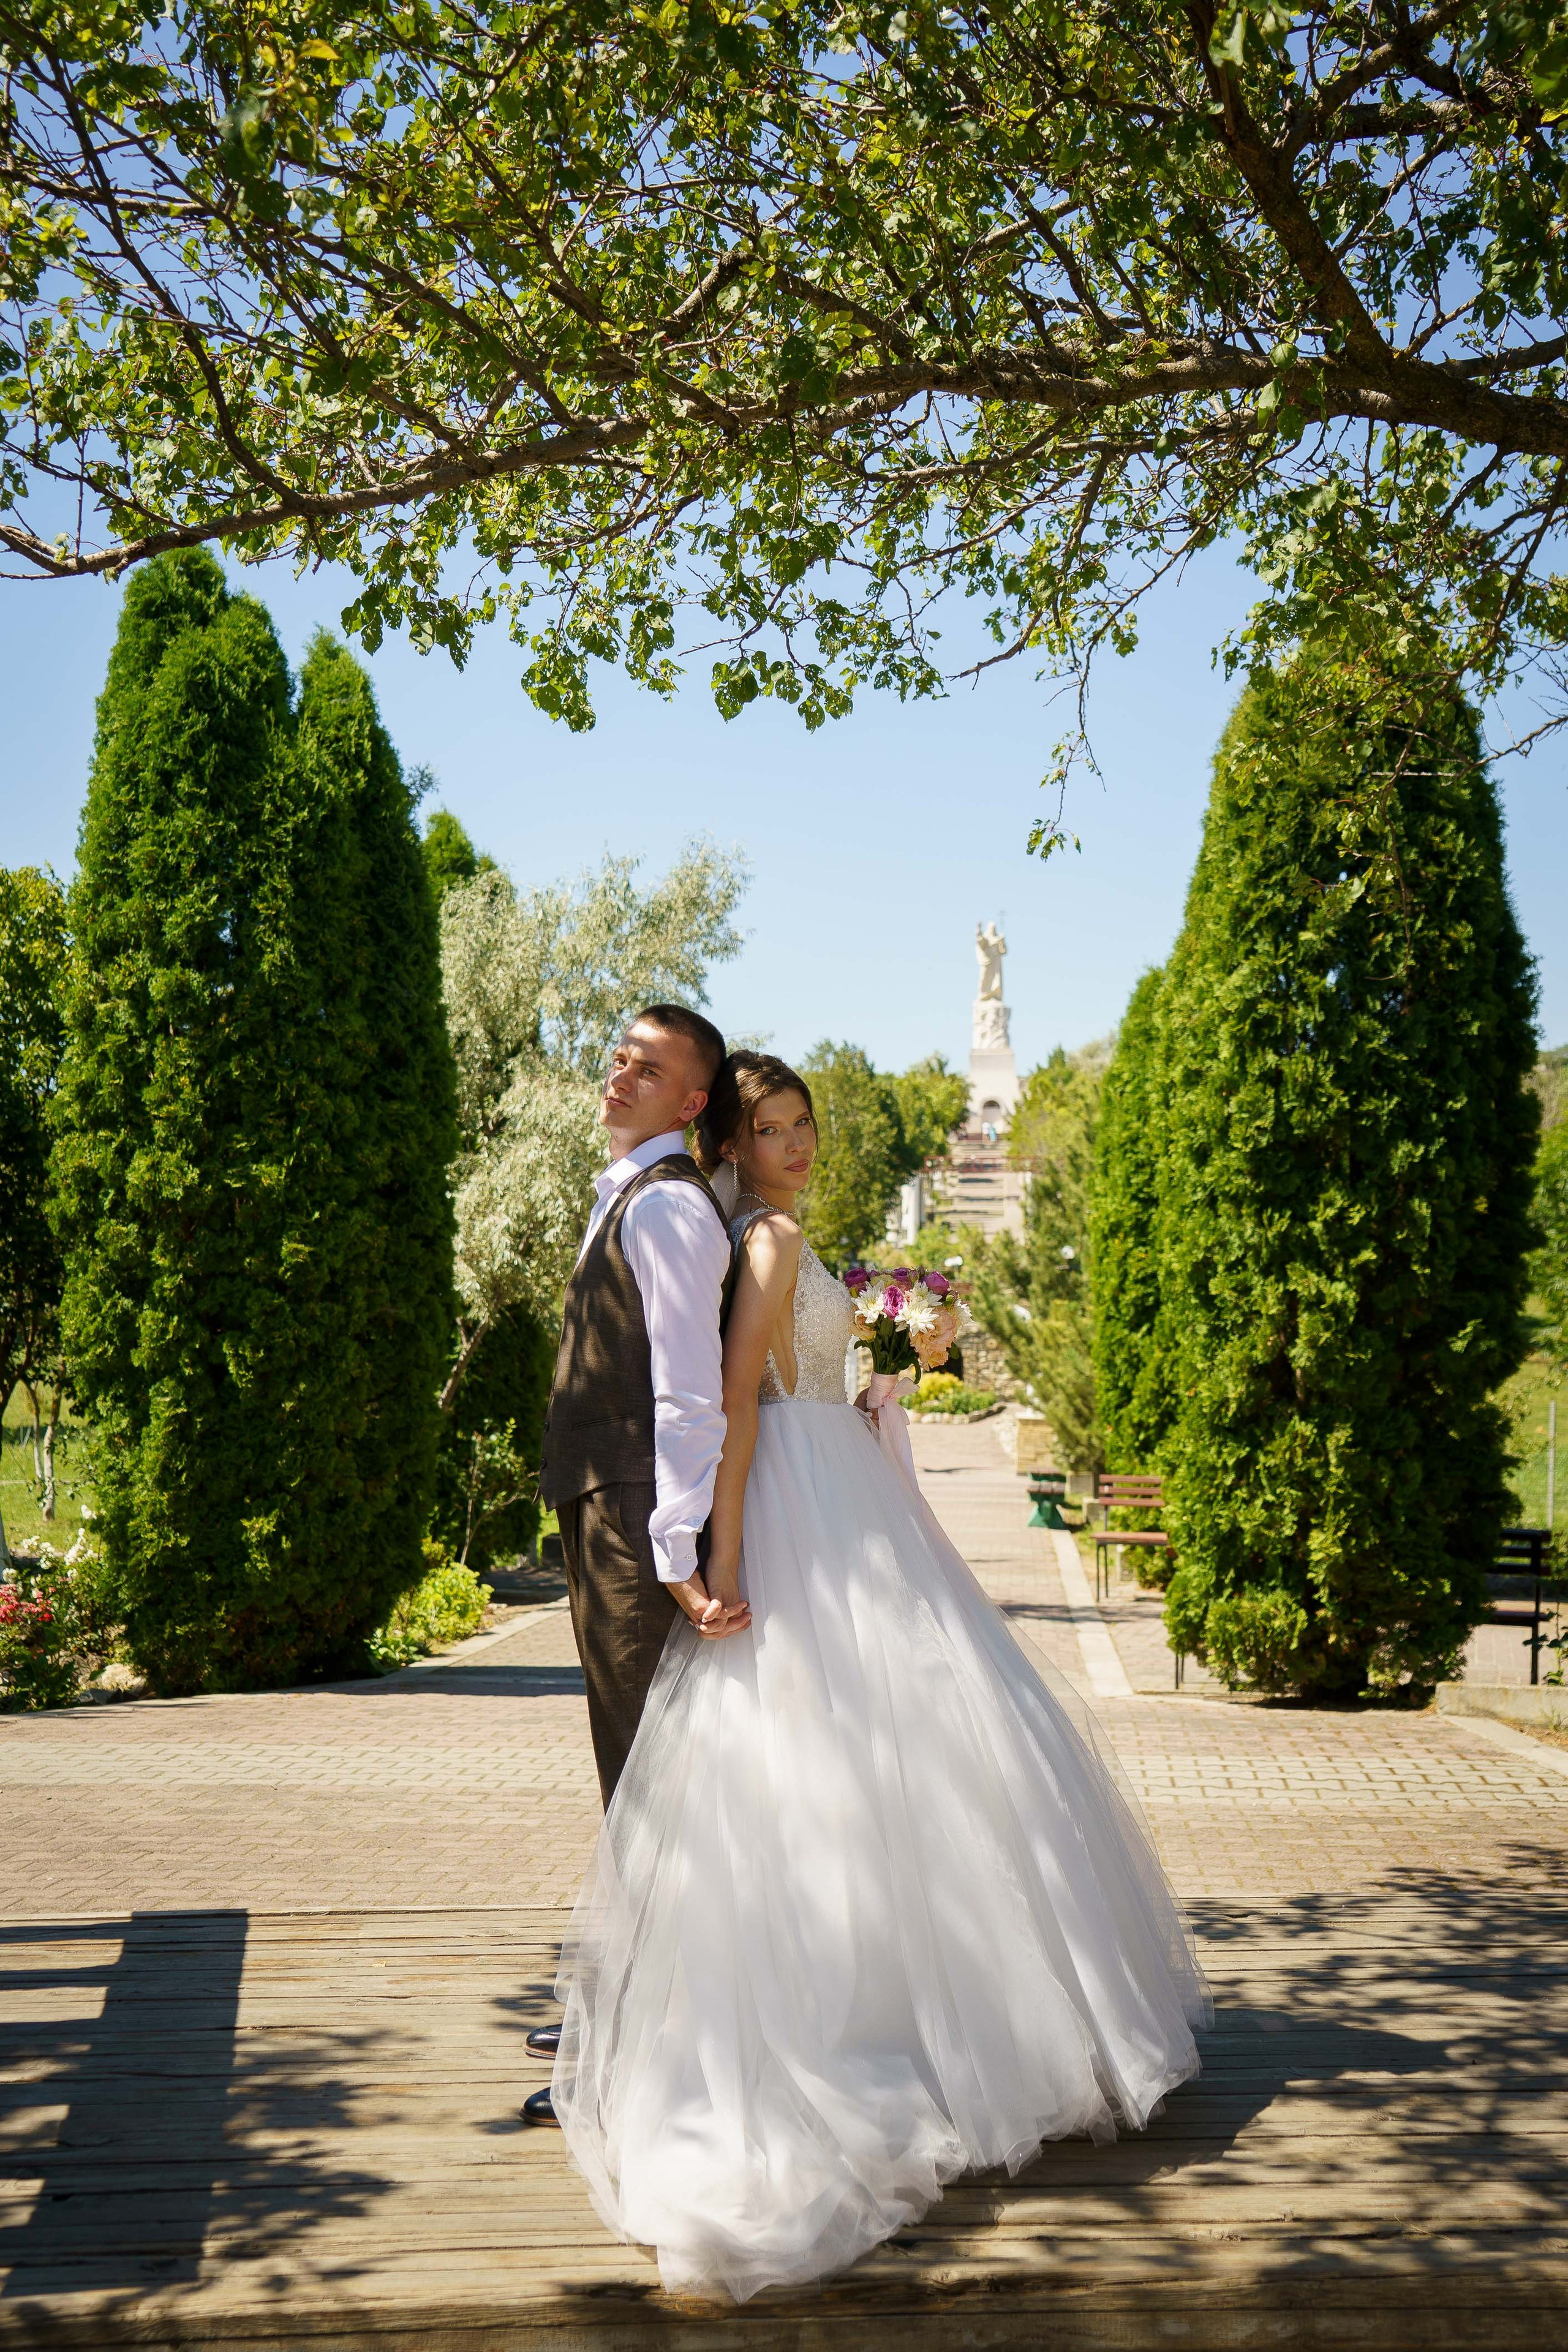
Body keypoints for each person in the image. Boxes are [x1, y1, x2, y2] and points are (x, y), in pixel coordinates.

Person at [548, 1050, 1211, 2299]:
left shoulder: (779, 1236)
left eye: (804, 1123)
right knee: (822, 1755)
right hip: (791, 1514)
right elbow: (737, 1408)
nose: (795, 1144)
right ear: (730, 1143)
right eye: (770, 1128)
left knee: (901, 1751)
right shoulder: (759, 1245)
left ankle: (924, 2015)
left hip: (837, 1488)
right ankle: (884, 2029)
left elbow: (799, 1393)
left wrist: (884, 1383)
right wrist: (719, 1561)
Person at [522, 1004, 750, 2120]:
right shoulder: (628, 1195)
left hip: (633, 1516)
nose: (619, 1074)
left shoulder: (667, 1213)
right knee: (635, 1775)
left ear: (692, 1101)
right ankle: (634, 2016)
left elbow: (690, 1394)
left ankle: (650, 2055)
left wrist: (672, 1548)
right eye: (617, 1056)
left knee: (651, 1780)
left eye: (646, 1067)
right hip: (601, 1505)